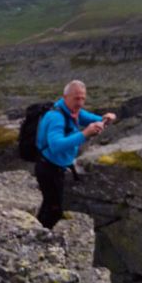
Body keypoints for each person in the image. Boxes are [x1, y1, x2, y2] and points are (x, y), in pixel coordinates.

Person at [35, 79, 116, 229]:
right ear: (65, 97)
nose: (80, 103)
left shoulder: (73, 111)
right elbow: (56, 146)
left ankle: (40, 230)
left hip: (56, 167)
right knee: (53, 210)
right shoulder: (56, 117)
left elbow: (94, 118)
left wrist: (107, 119)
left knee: (51, 205)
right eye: (76, 98)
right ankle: (41, 235)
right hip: (49, 169)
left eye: (83, 98)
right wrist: (85, 133)